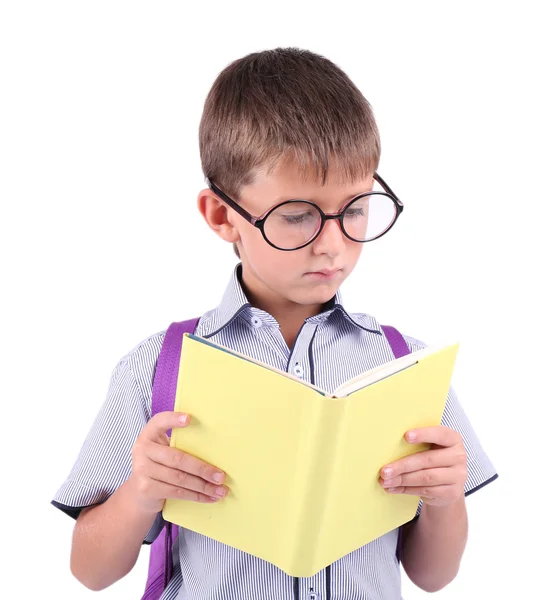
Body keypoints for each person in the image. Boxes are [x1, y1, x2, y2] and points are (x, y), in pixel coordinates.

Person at [51, 47, 497, 600]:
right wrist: (141, 493)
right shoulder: (162, 365)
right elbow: (89, 571)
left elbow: (434, 575)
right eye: (297, 217)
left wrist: (445, 497)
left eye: (355, 209)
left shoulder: (405, 368)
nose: (333, 245)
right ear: (222, 216)